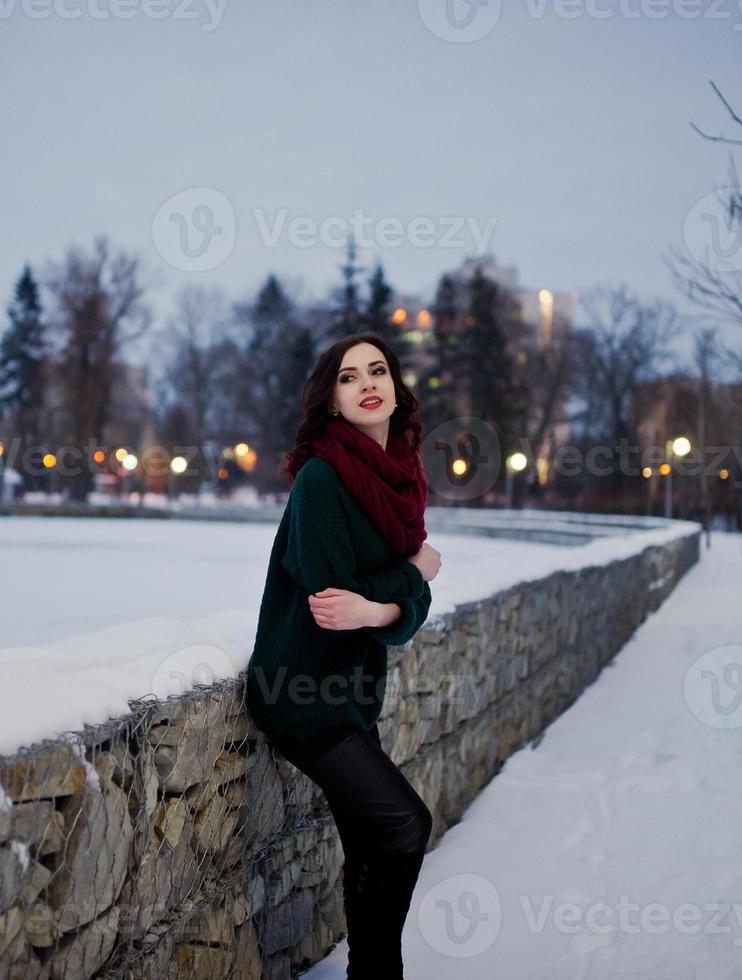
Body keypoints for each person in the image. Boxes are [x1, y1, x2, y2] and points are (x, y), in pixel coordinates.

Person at [245, 332, 443, 979]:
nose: (366, 383)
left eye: (377, 370)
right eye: (348, 375)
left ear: (394, 388)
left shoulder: (399, 479)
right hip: (300, 693)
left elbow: (387, 614)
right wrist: (410, 578)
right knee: (405, 825)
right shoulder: (322, 478)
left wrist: (386, 605)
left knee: (369, 844)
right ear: (330, 401)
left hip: (350, 695)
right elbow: (333, 604)